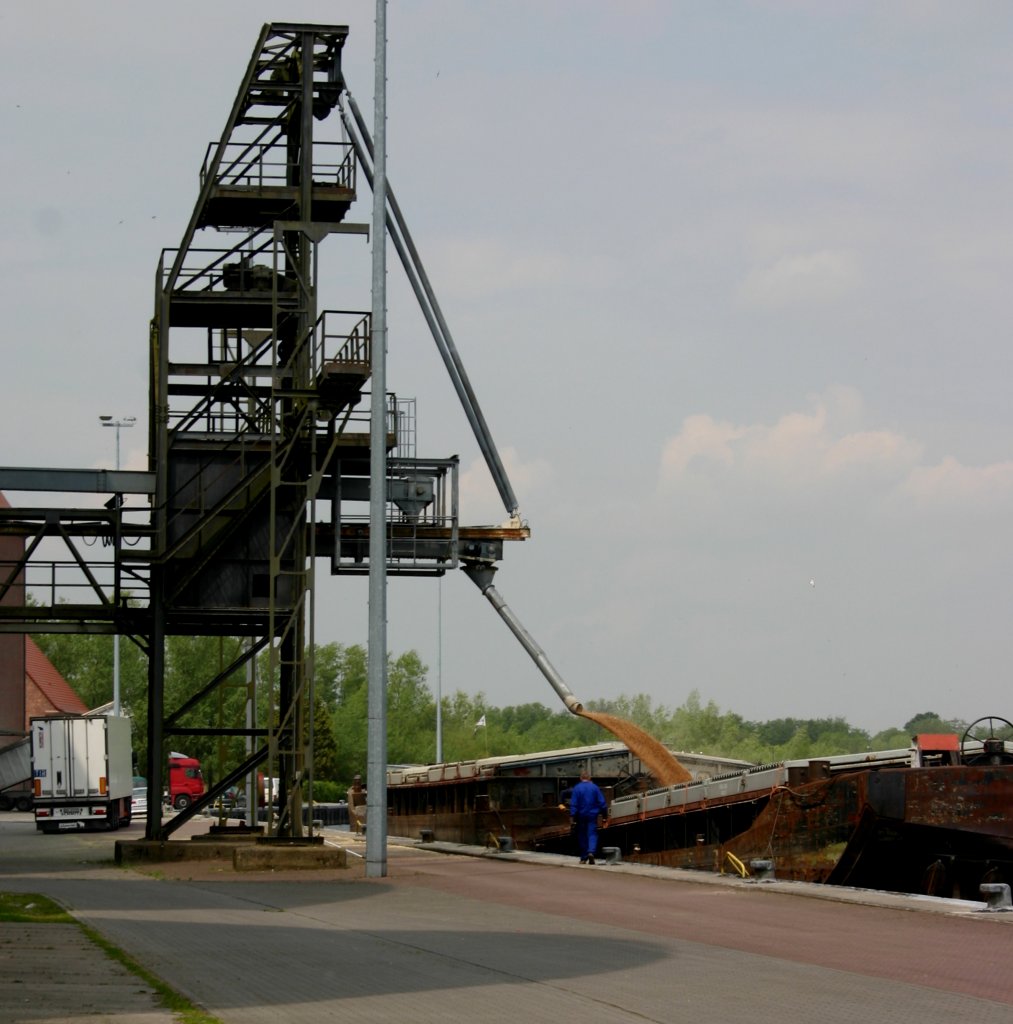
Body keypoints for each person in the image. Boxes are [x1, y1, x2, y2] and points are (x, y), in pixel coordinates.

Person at [569, 769, 607, 864]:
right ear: (590, 778)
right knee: (592, 834)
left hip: (580, 815)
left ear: (580, 778)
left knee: (582, 835)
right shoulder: (594, 787)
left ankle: (583, 857)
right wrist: (605, 815)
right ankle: (591, 852)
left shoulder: (577, 788)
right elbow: (602, 803)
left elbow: (573, 803)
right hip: (592, 815)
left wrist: (572, 816)